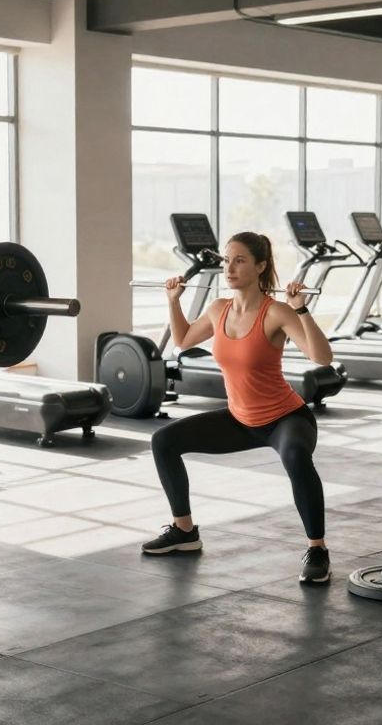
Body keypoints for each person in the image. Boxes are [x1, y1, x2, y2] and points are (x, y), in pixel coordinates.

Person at [142, 231, 336, 584]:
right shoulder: (219, 310)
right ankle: (184, 531)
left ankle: (318, 549)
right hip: (239, 419)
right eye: (226, 259)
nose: (229, 267)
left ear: (260, 267)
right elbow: (183, 341)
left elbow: (322, 357)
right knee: (164, 441)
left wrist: (301, 309)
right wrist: (173, 301)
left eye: (240, 260)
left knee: (294, 456)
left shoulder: (275, 312)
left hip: (285, 419)